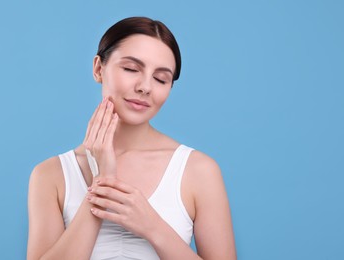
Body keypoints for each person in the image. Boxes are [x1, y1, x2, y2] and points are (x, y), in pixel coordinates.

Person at [27, 17, 236, 260]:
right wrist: (102, 183)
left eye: (160, 79)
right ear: (98, 68)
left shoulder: (199, 170)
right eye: (131, 69)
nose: (145, 87)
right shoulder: (50, 174)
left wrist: (152, 226)